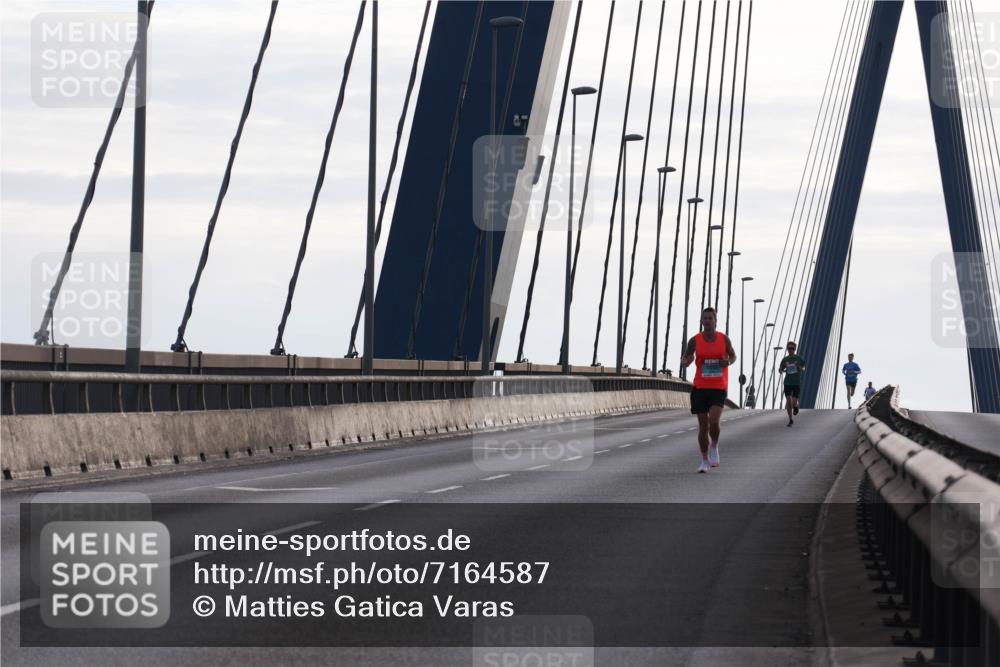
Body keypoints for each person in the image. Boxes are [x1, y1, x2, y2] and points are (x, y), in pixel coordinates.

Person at [681, 307, 737, 473]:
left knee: (713, 422)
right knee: (703, 425)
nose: (707, 321)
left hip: (718, 387)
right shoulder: (695, 340)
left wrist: (728, 362)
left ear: (715, 321)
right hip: (700, 387)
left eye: (710, 318)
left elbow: (733, 355)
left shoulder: (723, 339)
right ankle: (705, 460)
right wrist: (687, 361)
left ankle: (715, 446)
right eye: (704, 318)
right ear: (702, 321)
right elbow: (687, 356)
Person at [777, 341, 807, 427]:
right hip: (787, 382)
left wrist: (799, 367)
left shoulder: (799, 358)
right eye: (789, 348)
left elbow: (804, 368)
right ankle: (790, 419)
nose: (791, 350)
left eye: (792, 348)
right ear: (787, 349)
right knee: (788, 401)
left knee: (793, 402)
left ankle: (796, 406)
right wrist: (780, 370)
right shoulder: (785, 359)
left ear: (795, 349)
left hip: (796, 383)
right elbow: (780, 369)